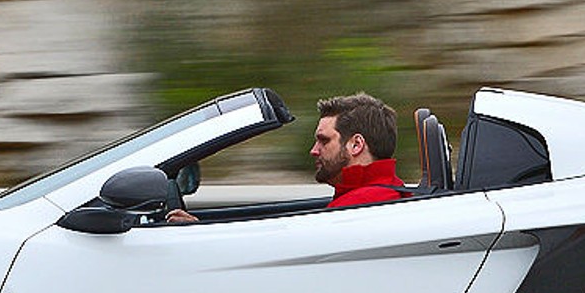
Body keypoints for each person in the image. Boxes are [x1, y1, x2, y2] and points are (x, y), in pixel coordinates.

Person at [165, 91, 408, 223]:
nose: (314, 150)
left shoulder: (362, 207)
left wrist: (196, 232)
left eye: (324, 140)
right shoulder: (375, 195)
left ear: (356, 145)